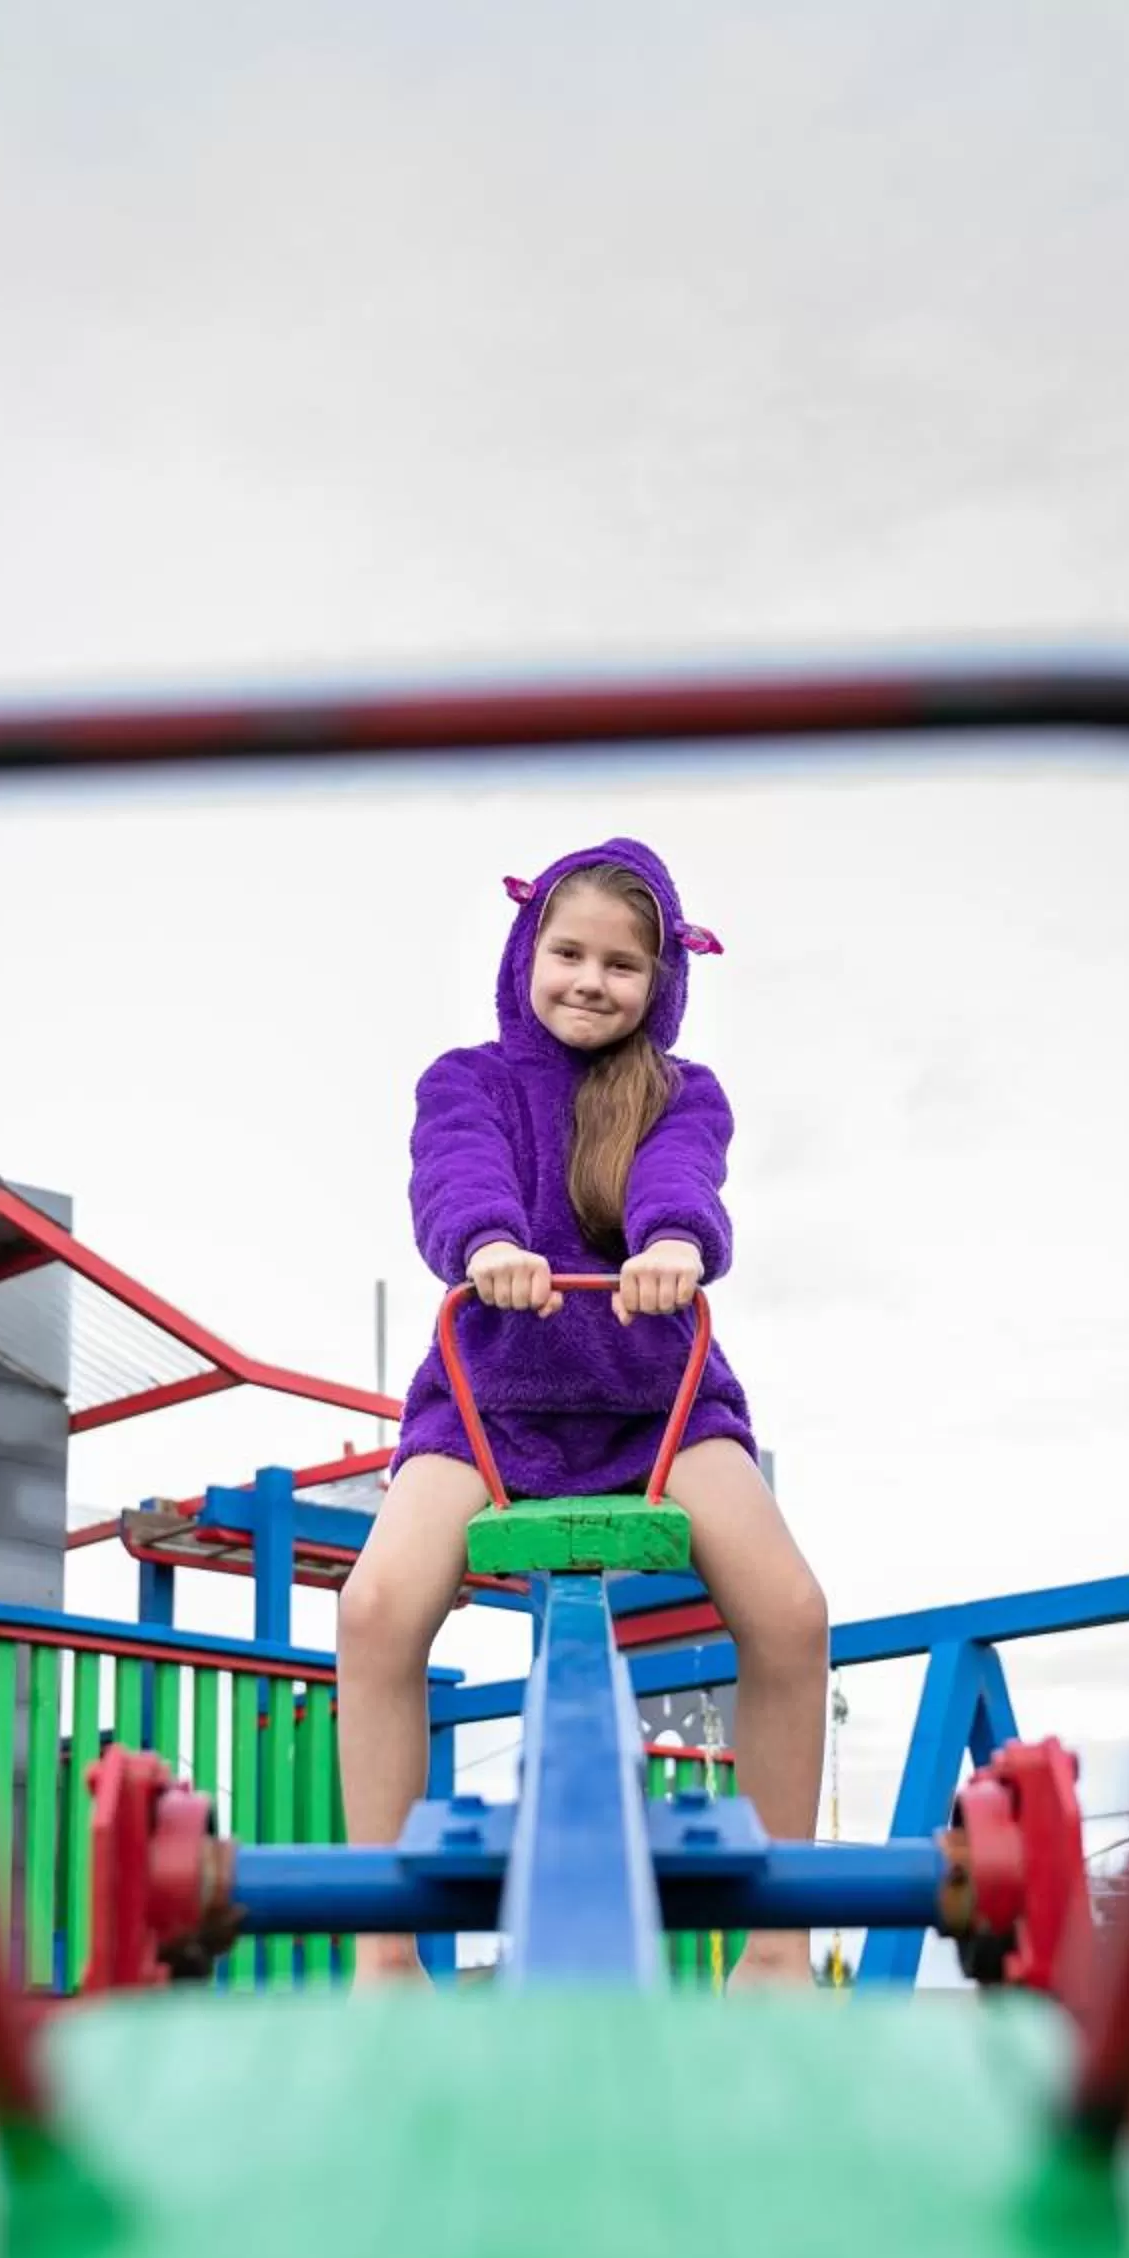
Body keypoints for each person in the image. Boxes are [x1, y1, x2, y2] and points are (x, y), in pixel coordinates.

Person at [337, 837, 828, 1986]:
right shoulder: (467, 1080)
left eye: (621, 964)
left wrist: (669, 1245)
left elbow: (680, 1177)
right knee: (373, 1612)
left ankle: (774, 1947)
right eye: (568, 952)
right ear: (526, 953)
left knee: (791, 1612)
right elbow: (453, 1174)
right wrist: (490, 1245)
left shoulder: (677, 1090)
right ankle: (385, 1952)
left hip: (652, 1403)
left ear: (661, 985)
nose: (589, 981)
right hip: (490, 1400)